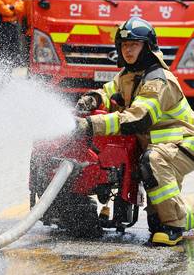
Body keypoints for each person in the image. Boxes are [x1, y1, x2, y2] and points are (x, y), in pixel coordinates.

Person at [75, 17, 194, 246]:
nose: (127, 50)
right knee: (155, 220)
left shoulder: (158, 79)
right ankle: (171, 219)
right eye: (124, 45)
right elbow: (109, 91)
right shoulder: (128, 75)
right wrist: (93, 98)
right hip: (159, 147)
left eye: (134, 45)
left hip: (183, 143)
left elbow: (139, 118)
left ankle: (174, 228)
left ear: (147, 47)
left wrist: (90, 125)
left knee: (153, 161)